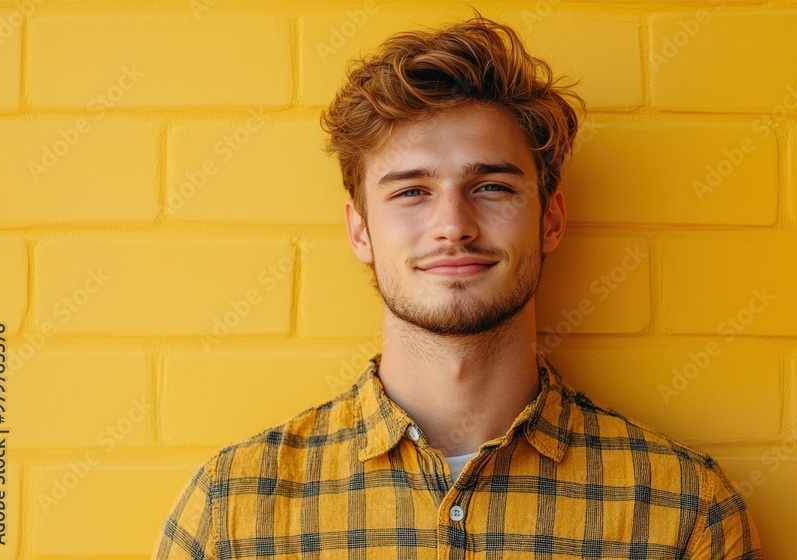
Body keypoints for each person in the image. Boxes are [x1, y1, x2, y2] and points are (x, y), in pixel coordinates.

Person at [154, 14, 762, 559]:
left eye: (492, 187)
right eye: (411, 191)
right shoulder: (233, 513)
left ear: (550, 219)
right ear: (360, 230)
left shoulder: (682, 511)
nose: (453, 226)